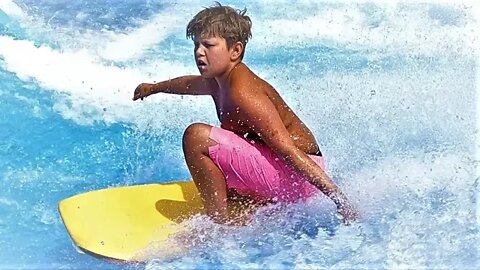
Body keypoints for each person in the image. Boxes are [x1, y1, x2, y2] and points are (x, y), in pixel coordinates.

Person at [133, 3, 357, 225]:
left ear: (235, 50)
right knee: (221, 154)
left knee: (197, 137)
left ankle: (219, 224)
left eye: (209, 45)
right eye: (196, 45)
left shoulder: (243, 92)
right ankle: (251, 206)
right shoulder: (217, 81)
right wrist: (155, 87)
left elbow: (286, 148)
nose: (199, 52)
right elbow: (190, 84)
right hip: (287, 174)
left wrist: (339, 199)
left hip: (299, 178)